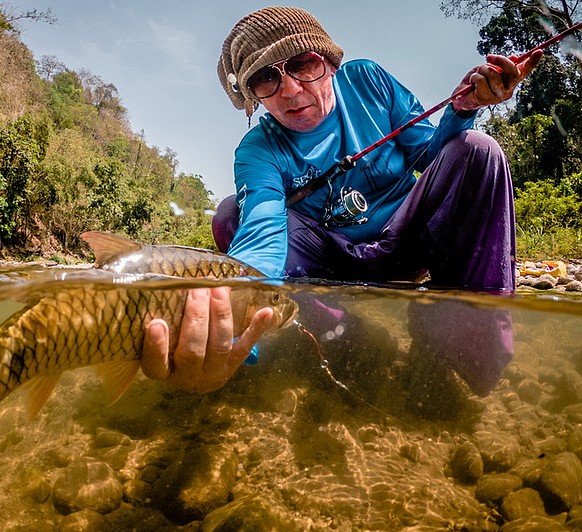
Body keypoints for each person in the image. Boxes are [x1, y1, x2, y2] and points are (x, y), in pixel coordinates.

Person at [140, 6, 542, 398]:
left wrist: (461, 110)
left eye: (303, 64)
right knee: (231, 215)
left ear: (330, 62)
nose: (291, 90)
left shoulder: (368, 80)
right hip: (332, 262)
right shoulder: (257, 150)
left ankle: (466, 342)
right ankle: (345, 335)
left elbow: (433, 157)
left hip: (408, 242)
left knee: (479, 149)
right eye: (266, 79)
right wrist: (234, 335)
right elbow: (261, 234)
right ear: (254, 97)